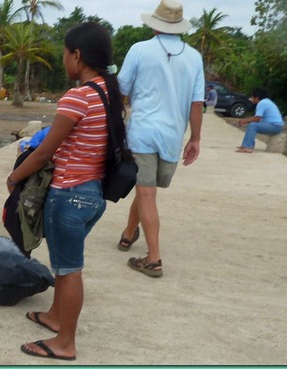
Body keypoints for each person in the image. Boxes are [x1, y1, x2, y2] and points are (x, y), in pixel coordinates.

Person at [11, 22, 123, 361]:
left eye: (64, 54)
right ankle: (55, 316)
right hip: (93, 194)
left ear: (77, 55)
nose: (63, 61)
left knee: (70, 269)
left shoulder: (79, 96)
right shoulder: (109, 92)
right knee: (63, 265)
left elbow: (45, 151)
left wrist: (15, 177)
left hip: (69, 195)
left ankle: (65, 343)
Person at [115, 0, 204, 277]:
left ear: (155, 24)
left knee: (146, 189)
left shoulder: (139, 50)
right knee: (147, 189)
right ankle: (129, 234)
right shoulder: (194, 58)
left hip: (141, 131)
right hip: (171, 137)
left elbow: (121, 89)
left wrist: (115, 124)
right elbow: (196, 104)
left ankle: (153, 259)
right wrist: (195, 139)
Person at [236, 87, 284, 153]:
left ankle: (248, 147)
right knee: (252, 125)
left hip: (275, 126)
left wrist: (245, 121)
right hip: (275, 125)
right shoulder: (266, 101)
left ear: (257, 97)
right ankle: (246, 145)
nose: (251, 99)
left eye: (252, 97)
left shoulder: (262, 103)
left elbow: (257, 118)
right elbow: (258, 118)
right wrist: (248, 120)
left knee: (253, 125)